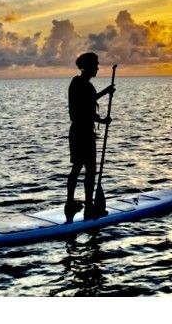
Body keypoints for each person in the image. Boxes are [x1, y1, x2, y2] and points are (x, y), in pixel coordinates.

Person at [65, 52, 115, 222]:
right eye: (96, 65)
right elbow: (83, 109)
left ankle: (84, 203)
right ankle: (77, 204)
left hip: (84, 132)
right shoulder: (79, 83)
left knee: (86, 170)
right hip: (81, 133)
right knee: (82, 169)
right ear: (88, 66)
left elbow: (88, 103)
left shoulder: (85, 85)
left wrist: (106, 93)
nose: (98, 68)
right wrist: (101, 119)